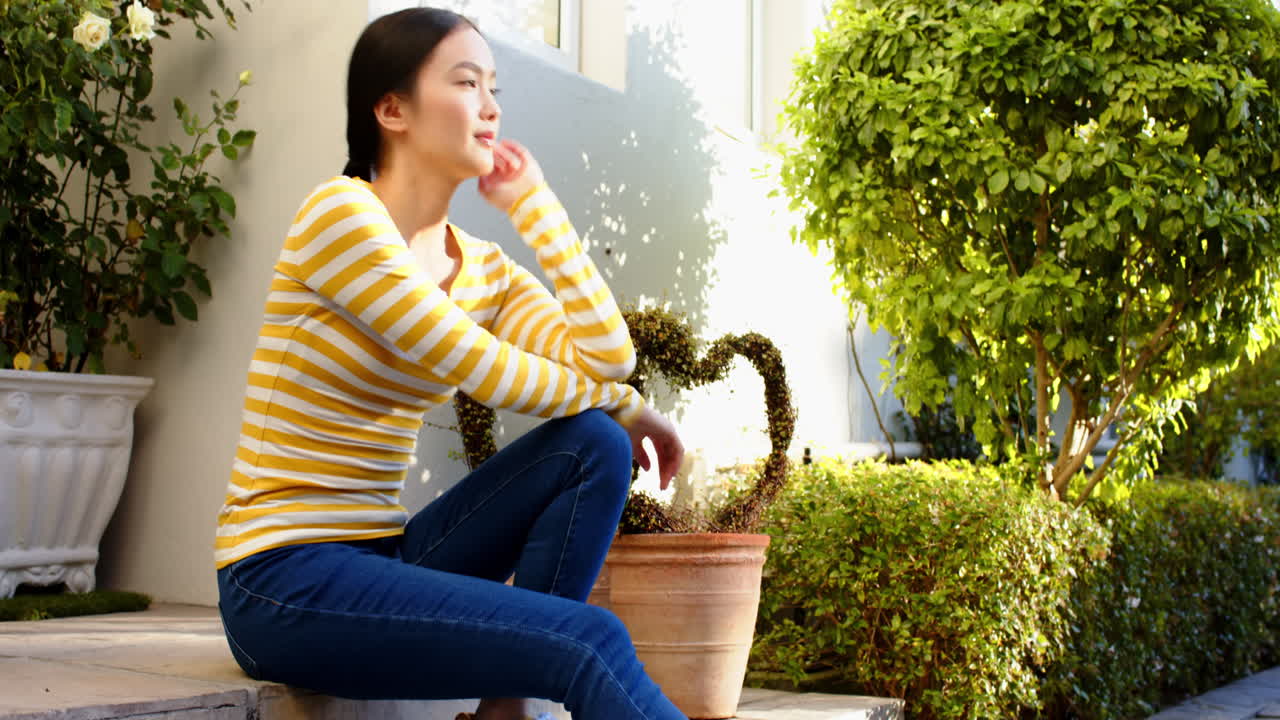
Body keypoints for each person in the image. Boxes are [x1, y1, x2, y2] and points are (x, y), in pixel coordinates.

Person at [213, 8, 688, 720]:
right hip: (282, 577)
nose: (491, 107)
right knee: (588, 640)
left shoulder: (484, 270)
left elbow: (608, 355)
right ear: (391, 108)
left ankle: (502, 710)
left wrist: (536, 209)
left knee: (593, 445)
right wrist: (617, 401)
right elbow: (481, 367)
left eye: (495, 87)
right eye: (467, 83)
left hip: (386, 556)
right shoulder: (340, 216)